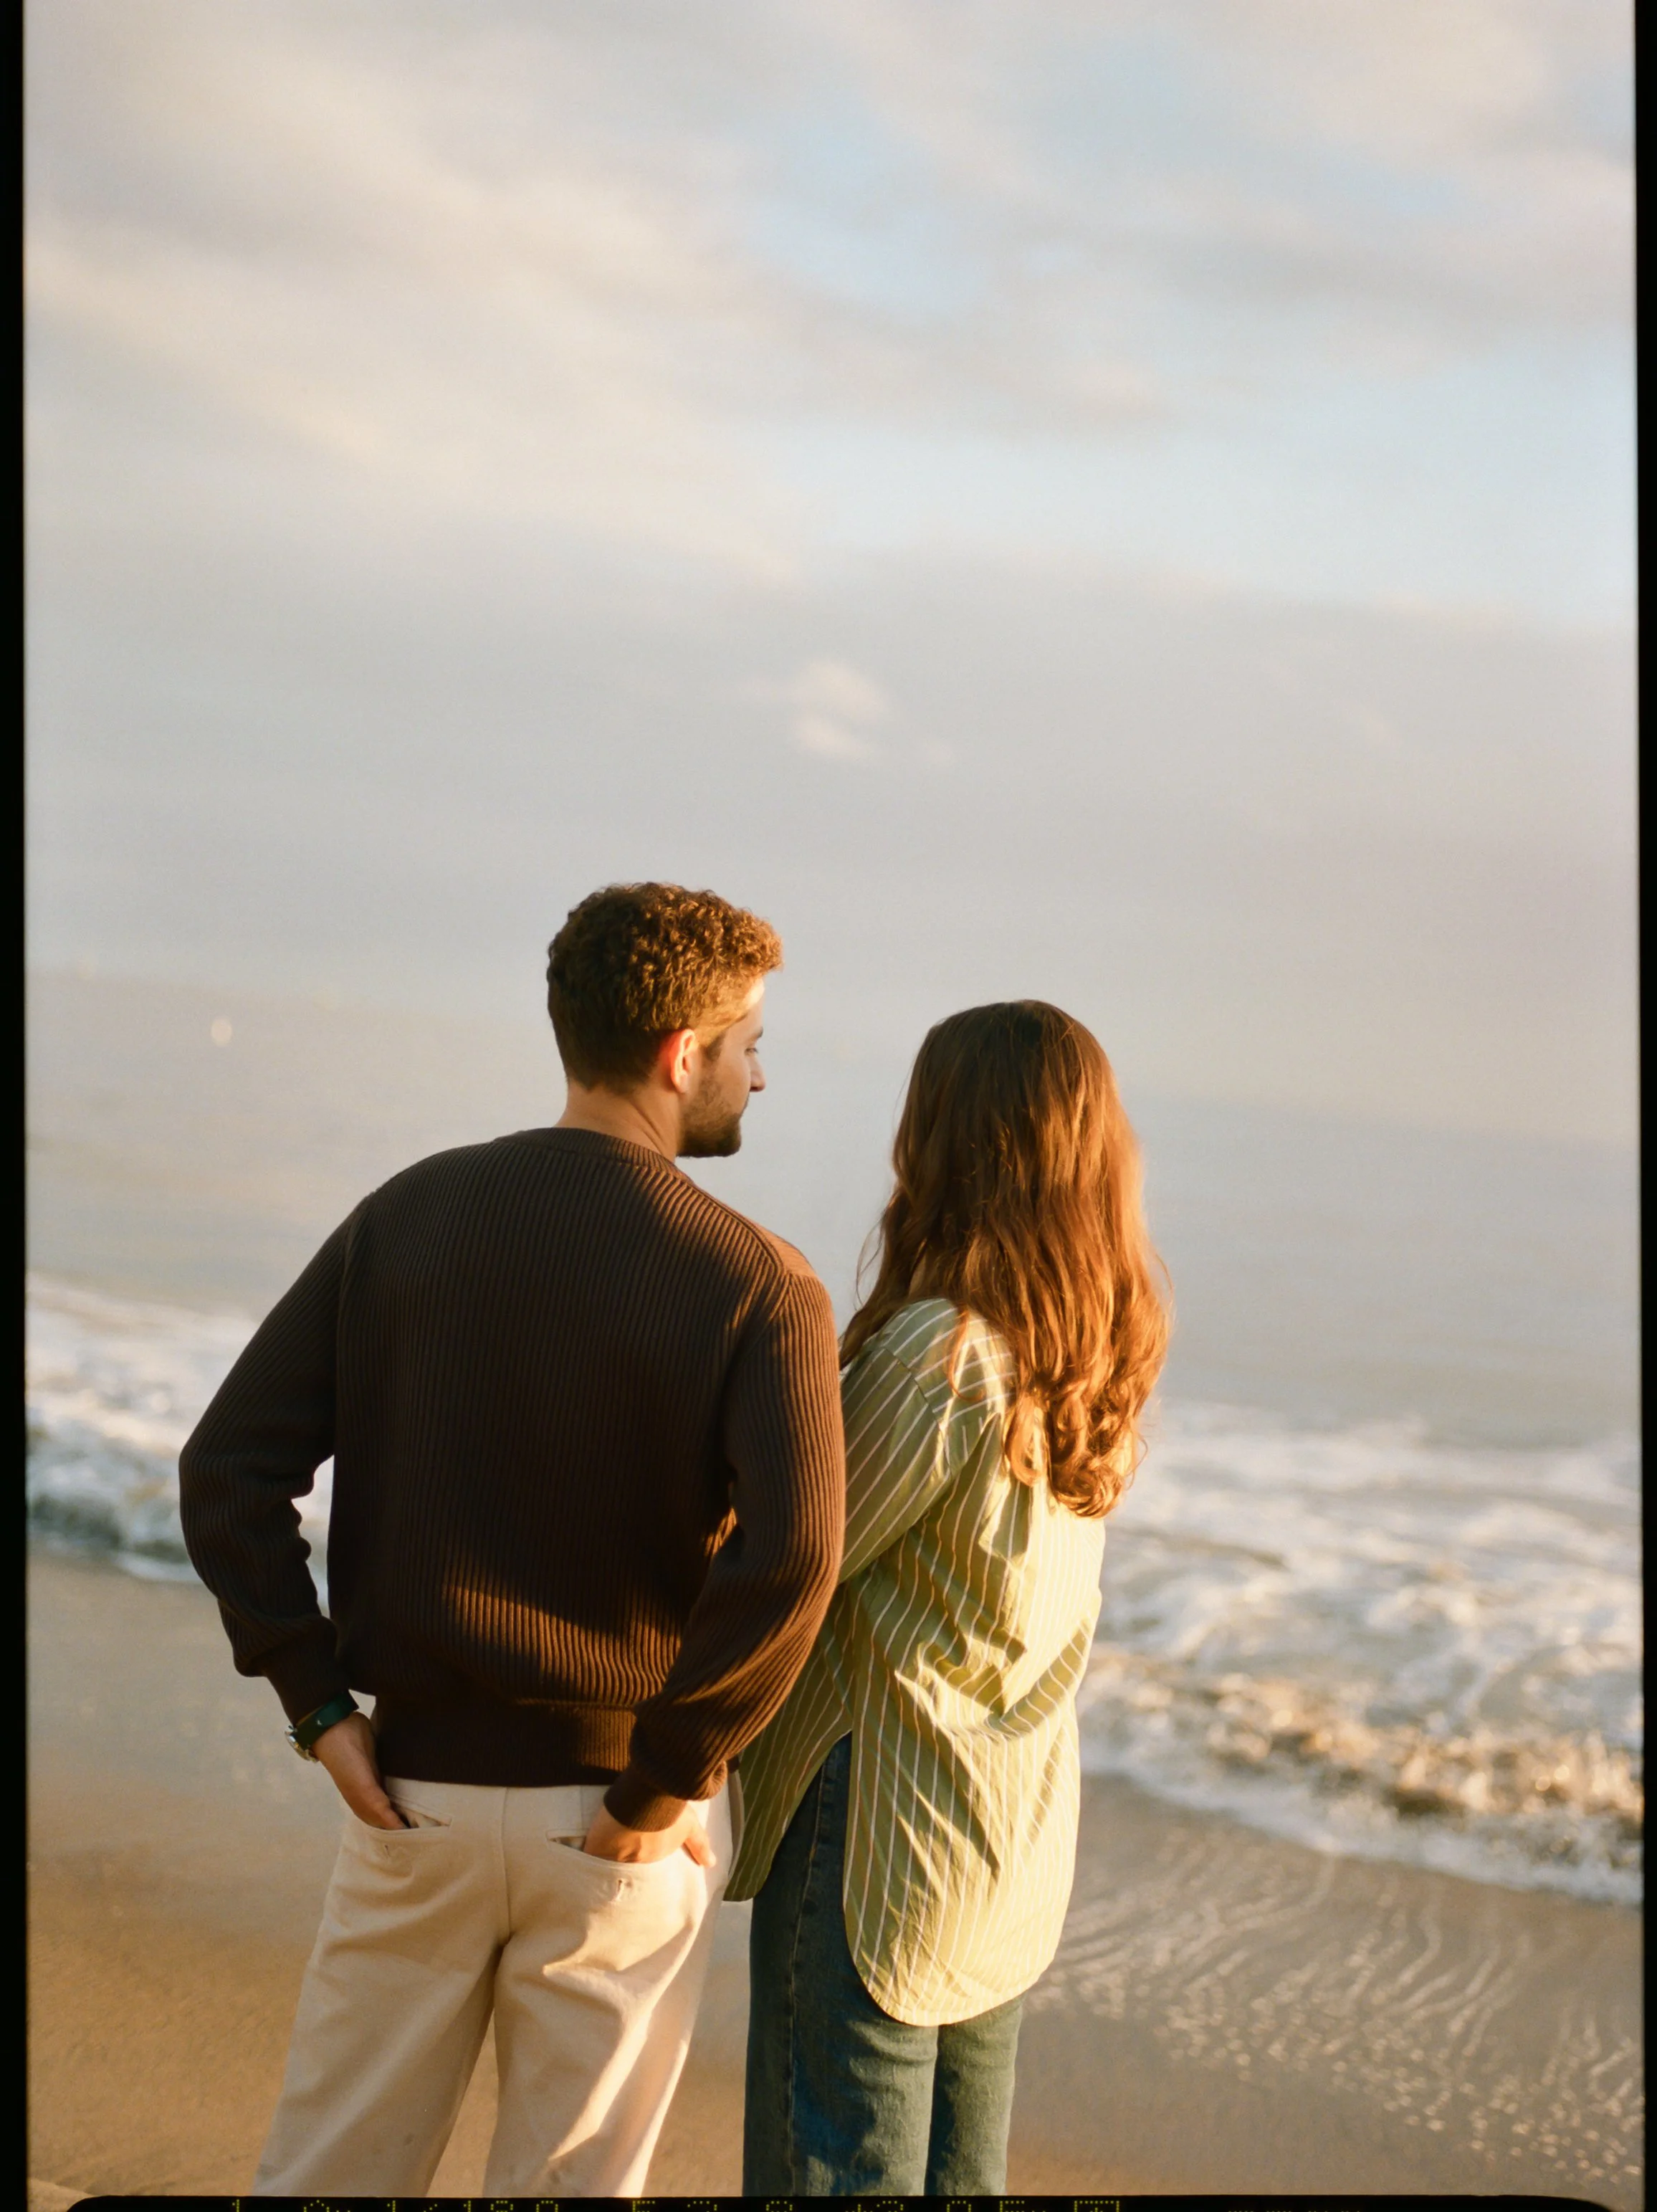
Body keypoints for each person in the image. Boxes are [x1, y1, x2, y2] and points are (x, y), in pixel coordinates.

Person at [178, 882, 844, 2198]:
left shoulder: (407, 1216)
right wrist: (667, 1780)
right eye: (750, 1044)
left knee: (325, 2176)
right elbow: (793, 1560)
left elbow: (227, 1468)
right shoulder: (759, 1280)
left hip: (410, 1790)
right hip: (623, 1817)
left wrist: (317, 1703)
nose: (759, 1077)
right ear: (682, 1054)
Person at [729, 999, 1170, 2196]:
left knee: (831, 2170)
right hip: (1006, 1840)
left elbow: (789, 1558)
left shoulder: (945, 1353)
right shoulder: (1087, 1362)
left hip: (882, 1837)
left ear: (954, 1140)